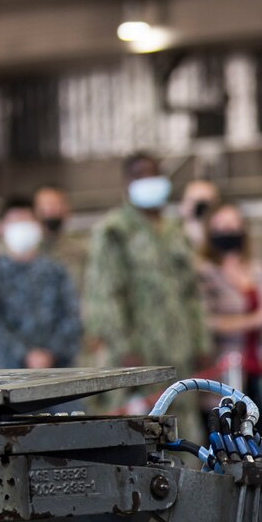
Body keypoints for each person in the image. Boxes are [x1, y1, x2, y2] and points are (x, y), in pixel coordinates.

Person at [82, 153, 208, 381]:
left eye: (154, 173)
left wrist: (201, 343)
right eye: (140, 174)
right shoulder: (114, 230)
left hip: (180, 350)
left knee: (182, 414)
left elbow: (192, 293)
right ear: (127, 182)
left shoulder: (175, 230)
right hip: (138, 354)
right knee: (144, 415)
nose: (148, 180)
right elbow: (105, 295)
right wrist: (124, 348)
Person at [0, 196, 81, 371]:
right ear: (1, 229)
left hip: (60, 372)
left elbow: (72, 316)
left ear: (38, 226)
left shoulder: (57, 272)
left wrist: (50, 353)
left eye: (26, 221)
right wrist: (26, 354)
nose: (21, 228)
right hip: (10, 374)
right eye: (14, 222)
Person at [195, 201, 262, 393]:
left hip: (261, 364)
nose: (228, 230)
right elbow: (207, 321)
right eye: (221, 225)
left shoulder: (257, 267)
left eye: (233, 224)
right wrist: (256, 320)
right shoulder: (204, 271)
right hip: (224, 368)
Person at [33, 183, 92, 290]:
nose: (50, 211)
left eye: (55, 205)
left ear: (67, 210)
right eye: (45, 206)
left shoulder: (82, 253)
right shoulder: (28, 254)